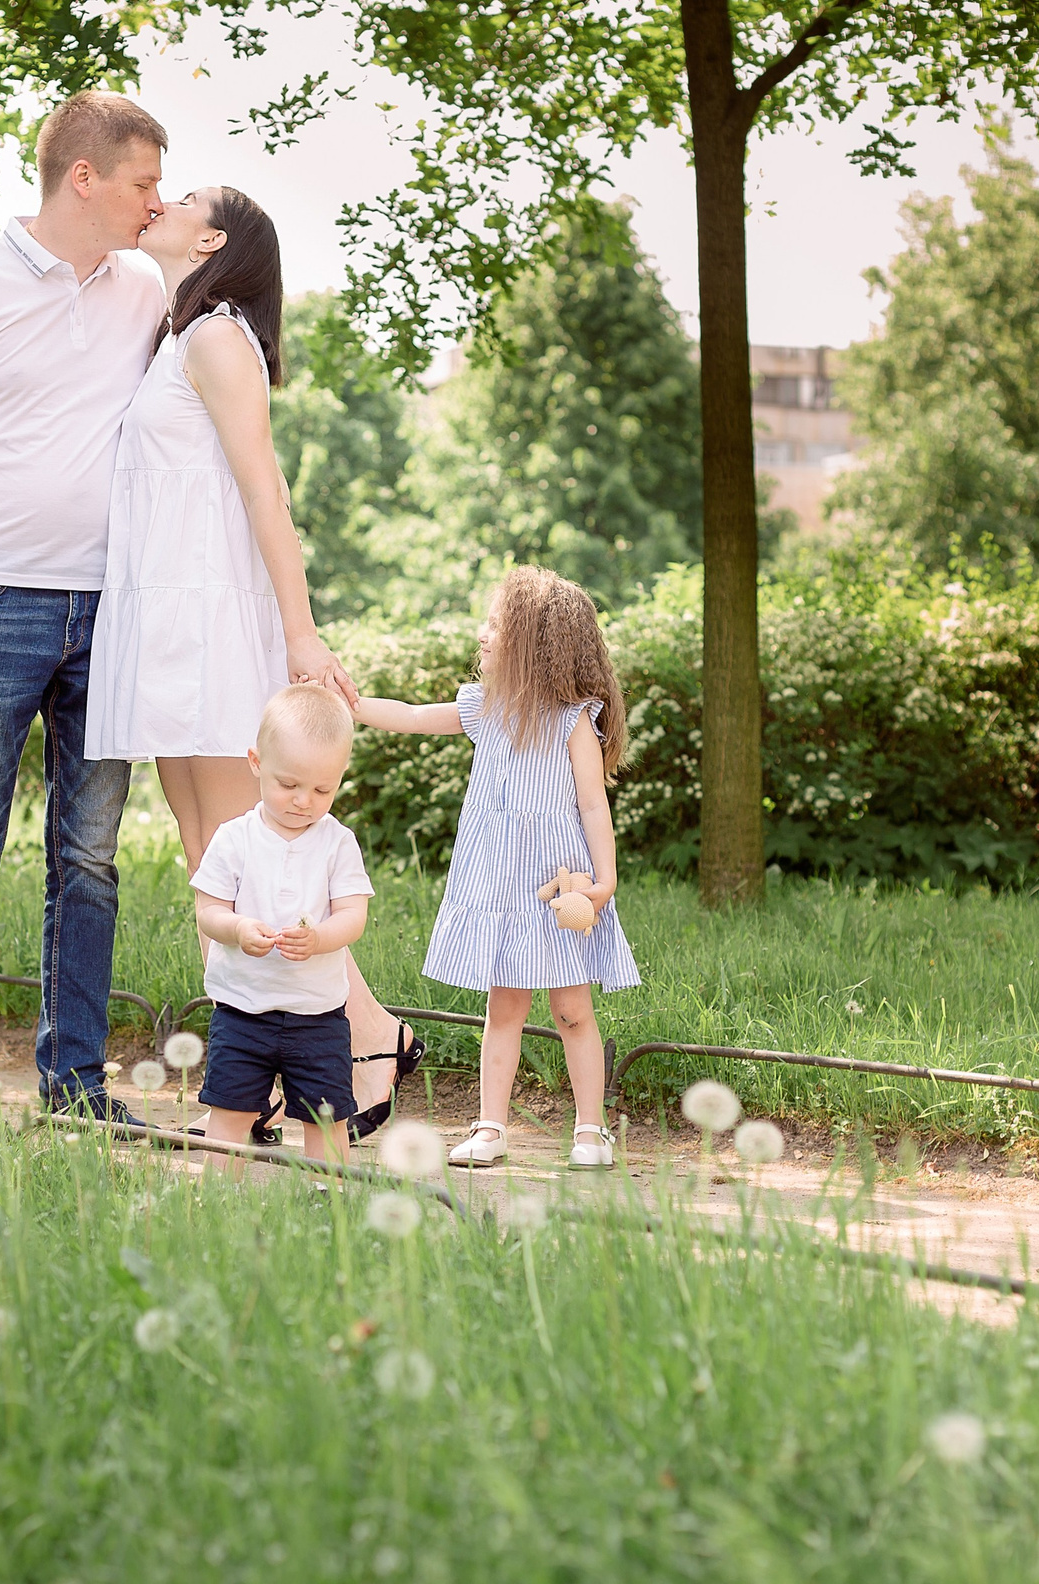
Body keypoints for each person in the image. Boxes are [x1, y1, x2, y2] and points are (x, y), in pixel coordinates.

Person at [84, 182, 419, 1140]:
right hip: (166, 620)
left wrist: (300, 630)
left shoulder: (222, 335)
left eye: (178, 197)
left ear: (214, 237)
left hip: (216, 621)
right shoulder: (177, 336)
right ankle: (265, 1070)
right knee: (212, 861)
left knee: (259, 863)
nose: (159, 202)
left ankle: (365, 1033)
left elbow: (265, 492)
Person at [0, 91, 170, 1122]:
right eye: (142, 182)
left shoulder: (144, 284)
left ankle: (74, 1086)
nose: (157, 200)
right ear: (83, 178)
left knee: (88, 862)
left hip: (111, 611)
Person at [354, 567, 641, 1169]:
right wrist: (348, 703)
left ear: (533, 644)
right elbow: (409, 715)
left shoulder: (571, 721)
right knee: (503, 1008)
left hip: (556, 891)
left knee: (572, 1011)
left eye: (494, 625)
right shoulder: (487, 709)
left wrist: (604, 882)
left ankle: (590, 1130)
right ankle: (491, 1127)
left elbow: (593, 803)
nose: (481, 636)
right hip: (502, 889)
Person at [189, 685, 372, 1163]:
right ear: (256, 762)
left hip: (318, 1016)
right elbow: (209, 911)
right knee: (228, 1114)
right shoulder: (234, 839)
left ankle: (329, 1200)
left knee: (327, 1120)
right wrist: (238, 930)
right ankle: (217, 1203)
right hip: (241, 1011)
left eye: (321, 790)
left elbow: (353, 915)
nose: (303, 801)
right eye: (288, 784)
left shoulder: (337, 843)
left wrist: (319, 940)